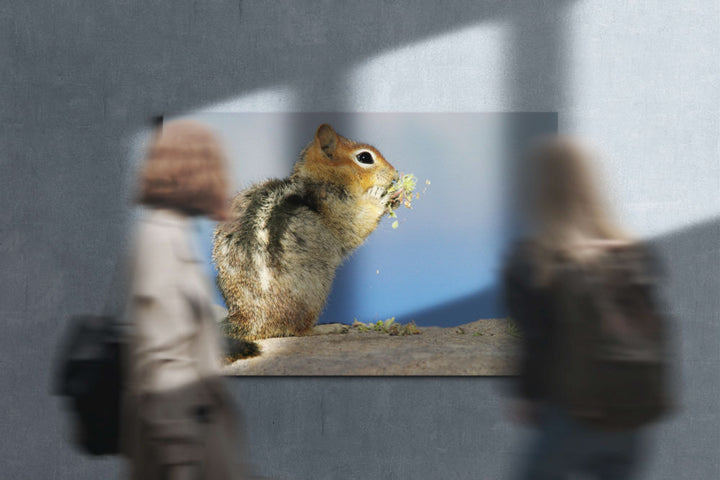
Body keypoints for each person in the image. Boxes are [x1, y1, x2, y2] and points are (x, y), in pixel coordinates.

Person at [503, 137, 667, 480]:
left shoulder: (534, 259)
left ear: (541, 187)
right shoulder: (636, 254)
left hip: (571, 412)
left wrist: (527, 397)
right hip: (630, 414)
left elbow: (535, 342)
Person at [122, 119, 249, 479]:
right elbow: (163, 363)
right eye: (214, 166)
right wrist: (182, 464)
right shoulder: (159, 241)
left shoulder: (170, 234)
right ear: (192, 171)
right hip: (186, 453)